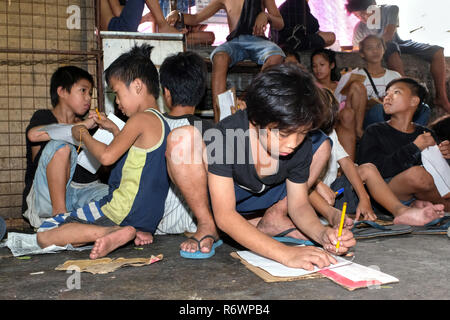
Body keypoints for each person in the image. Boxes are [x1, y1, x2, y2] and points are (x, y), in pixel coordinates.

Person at [206, 64, 355, 270]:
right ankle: (209, 226)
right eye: (283, 134)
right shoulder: (226, 136)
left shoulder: (299, 143)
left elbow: (299, 205)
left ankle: (263, 222)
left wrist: (321, 234)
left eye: (302, 133)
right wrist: (285, 253)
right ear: (256, 119)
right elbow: (225, 215)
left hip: (261, 198)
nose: (293, 143)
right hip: (224, 202)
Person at [36, 45, 171, 260]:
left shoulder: (139, 119)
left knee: (45, 233)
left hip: (121, 211)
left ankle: (111, 232)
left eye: (117, 93)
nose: (116, 102)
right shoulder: (160, 122)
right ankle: (129, 231)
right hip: (147, 217)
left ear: (137, 86)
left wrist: (84, 136)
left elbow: (107, 156)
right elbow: (136, 159)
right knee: (76, 230)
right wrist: (116, 130)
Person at [311, 88, 445, 227]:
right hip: (307, 193)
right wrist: (317, 184)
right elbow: (297, 177)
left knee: (368, 169)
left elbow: (346, 163)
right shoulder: (298, 136)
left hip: (334, 192)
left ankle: (402, 211)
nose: (388, 97)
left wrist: (364, 198)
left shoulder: (329, 132)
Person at [166, 0, 286, 123]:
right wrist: (177, 14)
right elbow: (196, 18)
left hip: (258, 41)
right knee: (219, 57)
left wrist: (266, 16)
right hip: (234, 41)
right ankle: (221, 121)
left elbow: (280, 23)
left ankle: (250, 101)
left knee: (276, 55)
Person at [24, 66, 109, 229]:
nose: (88, 98)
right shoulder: (43, 117)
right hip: (46, 196)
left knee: (112, 195)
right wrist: (81, 128)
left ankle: (78, 222)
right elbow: (36, 141)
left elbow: (98, 170)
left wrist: (104, 130)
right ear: (62, 91)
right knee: (60, 146)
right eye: (83, 91)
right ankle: (58, 217)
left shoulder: (90, 125)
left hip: (79, 194)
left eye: (90, 93)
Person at [157, 51, 219, 257]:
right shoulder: (211, 130)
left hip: (155, 226)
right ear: (202, 94)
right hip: (192, 225)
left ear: (166, 93)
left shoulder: (150, 126)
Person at [357, 77, 450, 214]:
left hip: (421, 196)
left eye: (396, 92)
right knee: (417, 175)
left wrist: (446, 155)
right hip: (385, 194)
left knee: (423, 176)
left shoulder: (425, 133)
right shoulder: (374, 131)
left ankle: (428, 208)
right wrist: (414, 148)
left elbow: (438, 172)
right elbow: (370, 172)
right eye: (386, 93)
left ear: (414, 101)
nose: (387, 97)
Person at [345, 0, 450, 113]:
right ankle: (407, 91)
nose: (362, 18)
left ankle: (441, 97)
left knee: (437, 51)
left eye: (364, 13)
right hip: (390, 48)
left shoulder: (390, 9)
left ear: (374, 7)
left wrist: (370, 43)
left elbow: (389, 35)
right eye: (357, 15)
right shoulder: (359, 28)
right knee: (391, 47)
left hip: (398, 43)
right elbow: (356, 51)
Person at [335, 35, 430, 129]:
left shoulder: (395, 76)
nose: (375, 51)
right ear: (362, 53)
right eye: (369, 48)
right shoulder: (355, 76)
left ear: (384, 50)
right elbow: (343, 104)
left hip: (394, 116)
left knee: (424, 108)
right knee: (379, 109)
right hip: (367, 118)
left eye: (378, 46)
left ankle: (410, 136)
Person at [310, 48, 365, 160]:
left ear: (331, 65)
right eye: (314, 66)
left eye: (321, 65)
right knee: (347, 114)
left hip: (347, 120)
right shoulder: (313, 87)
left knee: (357, 86)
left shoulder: (340, 84)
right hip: (328, 121)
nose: (317, 69)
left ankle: (358, 130)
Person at [270, 0, 335, 51]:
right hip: (292, 43)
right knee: (331, 37)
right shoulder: (299, 3)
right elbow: (313, 27)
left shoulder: (288, 4)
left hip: (282, 42)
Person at [100, 0, 179, 33]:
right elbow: (118, 12)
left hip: (119, 27)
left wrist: (144, 19)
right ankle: (164, 26)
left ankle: (166, 27)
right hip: (113, 26)